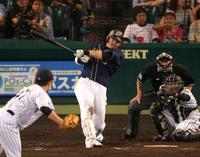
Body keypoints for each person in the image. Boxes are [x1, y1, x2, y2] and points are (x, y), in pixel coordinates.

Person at [124, 51, 195, 139]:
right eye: (162, 60)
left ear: (171, 61)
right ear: (158, 61)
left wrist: (183, 93)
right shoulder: (150, 68)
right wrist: (138, 94)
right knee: (133, 106)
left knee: (185, 113)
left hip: (175, 96)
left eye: (167, 60)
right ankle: (132, 133)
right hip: (157, 95)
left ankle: (190, 128)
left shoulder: (180, 69)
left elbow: (190, 82)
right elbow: (139, 80)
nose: (164, 62)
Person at [0, 69, 70, 157]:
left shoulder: (29, 88)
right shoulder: (41, 92)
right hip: (8, 122)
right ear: (50, 82)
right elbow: (45, 108)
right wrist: (62, 122)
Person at [74, 29, 124, 148]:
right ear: (108, 38)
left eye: (117, 41)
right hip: (84, 83)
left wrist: (86, 52)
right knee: (87, 107)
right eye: (113, 39)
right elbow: (80, 60)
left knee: (99, 125)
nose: (114, 42)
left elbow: (105, 55)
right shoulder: (96, 46)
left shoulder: (118, 53)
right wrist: (80, 58)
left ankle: (97, 135)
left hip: (101, 87)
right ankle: (90, 140)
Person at [153, 74, 200, 141]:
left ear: (180, 85)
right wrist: (159, 95)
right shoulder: (164, 90)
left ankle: (197, 131)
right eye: (169, 84)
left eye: (175, 84)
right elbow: (159, 96)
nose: (172, 86)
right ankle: (165, 135)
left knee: (179, 136)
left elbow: (186, 98)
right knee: (155, 108)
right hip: (177, 118)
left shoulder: (186, 92)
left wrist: (176, 94)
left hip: (191, 119)